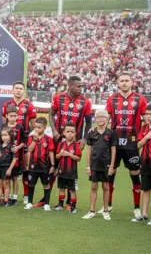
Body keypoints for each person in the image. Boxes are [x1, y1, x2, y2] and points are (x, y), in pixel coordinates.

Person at [43, 76, 92, 209]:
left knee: (71, 171)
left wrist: (84, 138)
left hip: (74, 142)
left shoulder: (85, 102)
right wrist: (54, 130)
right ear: (70, 86)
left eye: (82, 86)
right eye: (78, 86)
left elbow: (89, 123)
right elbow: (51, 115)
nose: (81, 89)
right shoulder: (59, 98)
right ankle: (45, 199)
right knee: (52, 169)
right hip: (58, 140)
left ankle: (70, 202)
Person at [106, 72, 147, 220]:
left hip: (132, 144)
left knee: (135, 174)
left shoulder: (140, 99)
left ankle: (136, 208)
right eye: (121, 81)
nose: (124, 83)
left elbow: (146, 120)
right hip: (115, 144)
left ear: (132, 82)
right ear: (118, 83)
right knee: (111, 173)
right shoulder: (112, 99)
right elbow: (107, 118)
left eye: (126, 81)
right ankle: (108, 204)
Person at [2, 81, 37, 204]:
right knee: (7, 165)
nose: (18, 90)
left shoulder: (29, 105)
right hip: (9, 143)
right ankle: (5, 194)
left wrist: (26, 136)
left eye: (20, 88)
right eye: (16, 88)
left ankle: (26, 195)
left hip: (23, 141)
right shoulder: (7, 104)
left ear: (23, 91)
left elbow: (33, 124)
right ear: (12, 90)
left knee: (25, 167)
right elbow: (4, 124)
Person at [82, 110, 116, 220]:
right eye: (98, 117)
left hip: (106, 165)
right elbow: (88, 150)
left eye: (103, 117)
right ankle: (92, 211)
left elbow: (113, 150)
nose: (101, 119)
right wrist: (88, 166)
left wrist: (111, 166)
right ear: (95, 119)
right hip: (94, 165)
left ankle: (106, 211)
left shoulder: (111, 133)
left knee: (106, 186)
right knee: (93, 187)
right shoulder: (91, 133)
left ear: (107, 119)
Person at [24, 117, 55, 211]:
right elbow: (30, 149)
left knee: (46, 184)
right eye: (35, 127)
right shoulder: (31, 138)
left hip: (45, 166)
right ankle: (29, 202)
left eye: (39, 127)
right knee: (31, 184)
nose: (37, 129)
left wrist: (53, 165)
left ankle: (47, 204)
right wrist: (34, 140)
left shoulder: (48, 139)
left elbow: (51, 152)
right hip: (33, 165)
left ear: (45, 127)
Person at [53, 123, 82, 213]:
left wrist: (69, 154)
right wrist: (61, 154)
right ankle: (60, 204)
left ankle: (73, 207)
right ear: (64, 133)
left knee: (72, 190)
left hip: (72, 172)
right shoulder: (61, 144)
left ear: (75, 133)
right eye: (68, 131)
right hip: (61, 171)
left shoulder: (77, 145)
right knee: (61, 188)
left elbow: (78, 158)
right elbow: (56, 157)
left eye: (72, 132)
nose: (70, 133)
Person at [1, 106, 25, 206]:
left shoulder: (20, 127)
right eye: (11, 116)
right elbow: (0, 140)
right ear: (6, 116)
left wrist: (18, 147)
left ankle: (14, 198)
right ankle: (7, 197)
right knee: (6, 178)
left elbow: (23, 142)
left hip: (15, 156)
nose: (13, 118)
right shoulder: (3, 126)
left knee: (14, 177)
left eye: (15, 116)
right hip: (5, 157)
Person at [0, 128, 17, 208]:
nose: (3, 137)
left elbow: (14, 159)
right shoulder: (0, 145)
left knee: (6, 185)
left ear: (10, 136)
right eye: (2, 135)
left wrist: (10, 169)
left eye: (5, 135)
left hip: (6, 168)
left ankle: (6, 201)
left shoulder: (12, 147)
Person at [135, 103, 151, 224]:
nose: (148, 116)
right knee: (145, 189)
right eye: (146, 114)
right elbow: (138, 145)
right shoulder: (144, 128)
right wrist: (146, 138)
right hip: (145, 162)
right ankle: (144, 214)